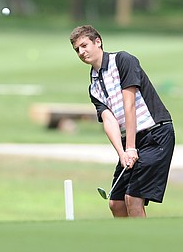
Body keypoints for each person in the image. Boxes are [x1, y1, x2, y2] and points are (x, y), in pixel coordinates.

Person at [69, 25, 175, 218]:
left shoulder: (122, 60)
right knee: (116, 203)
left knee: (132, 199)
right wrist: (122, 152)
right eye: (77, 49)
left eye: (84, 45)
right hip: (132, 141)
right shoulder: (93, 85)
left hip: (156, 135)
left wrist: (131, 148)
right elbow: (109, 121)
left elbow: (130, 106)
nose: (81, 52)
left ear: (97, 42)